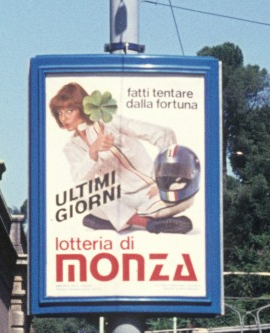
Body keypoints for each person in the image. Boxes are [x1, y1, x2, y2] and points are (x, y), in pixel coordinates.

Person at [49, 82, 196, 234]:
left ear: (82, 108)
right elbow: (79, 178)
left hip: (151, 194)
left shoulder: (110, 123)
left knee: (185, 197)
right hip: (120, 200)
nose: (64, 118)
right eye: (59, 113)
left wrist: (163, 182)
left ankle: (115, 221)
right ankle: (148, 224)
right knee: (84, 192)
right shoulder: (70, 148)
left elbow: (164, 134)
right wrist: (92, 151)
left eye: (69, 110)